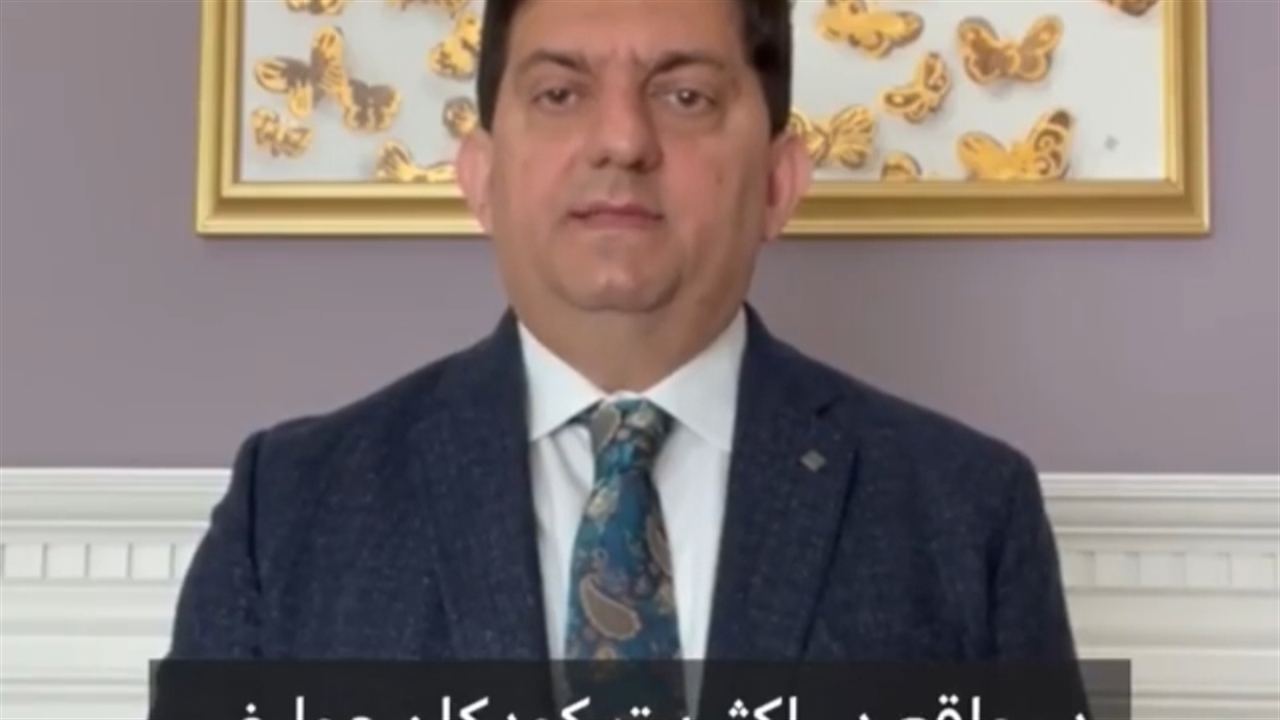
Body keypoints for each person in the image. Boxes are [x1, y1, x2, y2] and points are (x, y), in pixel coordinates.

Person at [162, 0, 1076, 686]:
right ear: (479, 178)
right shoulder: (290, 513)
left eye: (685, 95)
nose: (622, 140)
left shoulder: (966, 515)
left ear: (777, 183)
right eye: (560, 93)